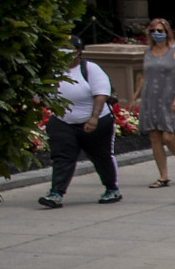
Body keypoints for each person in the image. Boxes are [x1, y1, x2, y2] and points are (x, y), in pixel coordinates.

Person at [41, 39, 119, 209]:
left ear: (79, 51)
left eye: (69, 48)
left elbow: (101, 95)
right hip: (63, 122)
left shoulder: (90, 69)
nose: (64, 51)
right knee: (62, 158)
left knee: (100, 156)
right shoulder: (54, 71)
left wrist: (94, 118)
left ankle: (112, 188)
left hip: (94, 121)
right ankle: (56, 193)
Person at [136, 19, 175, 188]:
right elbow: (144, 76)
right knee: (154, 137)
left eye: (160, 30)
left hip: (169, 97)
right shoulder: (148, 51)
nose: (157, 33)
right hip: (150, 98)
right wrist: (135, 97)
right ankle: (163, 176)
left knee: (168, 136)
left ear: (167, 32)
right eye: (153, 30)